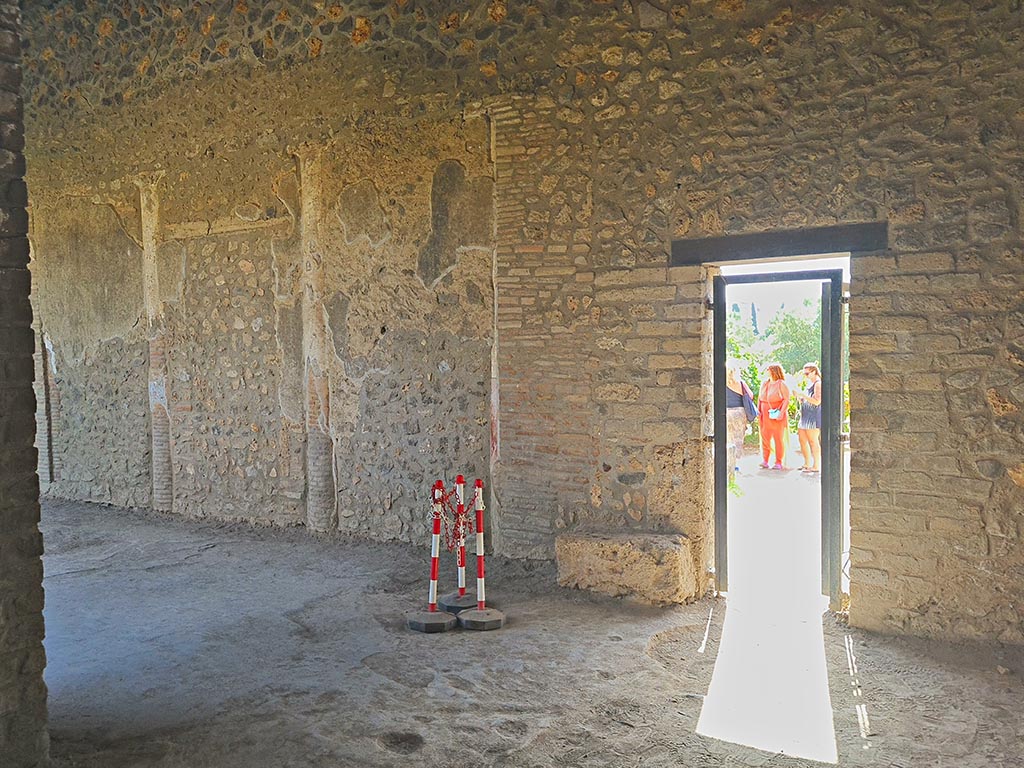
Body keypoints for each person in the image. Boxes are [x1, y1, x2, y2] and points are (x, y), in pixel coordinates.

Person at [725, 362, 756, 475]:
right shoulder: (740, 384)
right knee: (738, 438)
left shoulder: (721, 383)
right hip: (739, 412)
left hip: (726, 412)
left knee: (727, 437)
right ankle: (735, 464)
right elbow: (750, 395)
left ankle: (727, 462)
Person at [757, 362, 790, 470]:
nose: (767, 371)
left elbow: (786, 399)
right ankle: (765, 460)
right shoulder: (765, 383)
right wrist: (758, 411)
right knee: (765, 437)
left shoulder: (781, 384)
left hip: (776, 415)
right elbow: (760, 398)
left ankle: (778, 462)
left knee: (778, 438)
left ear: (773, 371)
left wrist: (781, 413)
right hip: (764, 414)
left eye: (768, 369)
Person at [795, 362, 822, 473]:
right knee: (802, 439)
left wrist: (803, 395)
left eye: (807, 373)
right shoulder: (809, 384)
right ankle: (806, 463)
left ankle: (816, 465)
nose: (806, 376)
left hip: (812, 416)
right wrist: (799, 398)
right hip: (804, 415)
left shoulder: (818, 384)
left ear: (814, 371)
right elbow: (807, 399)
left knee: (812, 441)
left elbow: (817, 401)